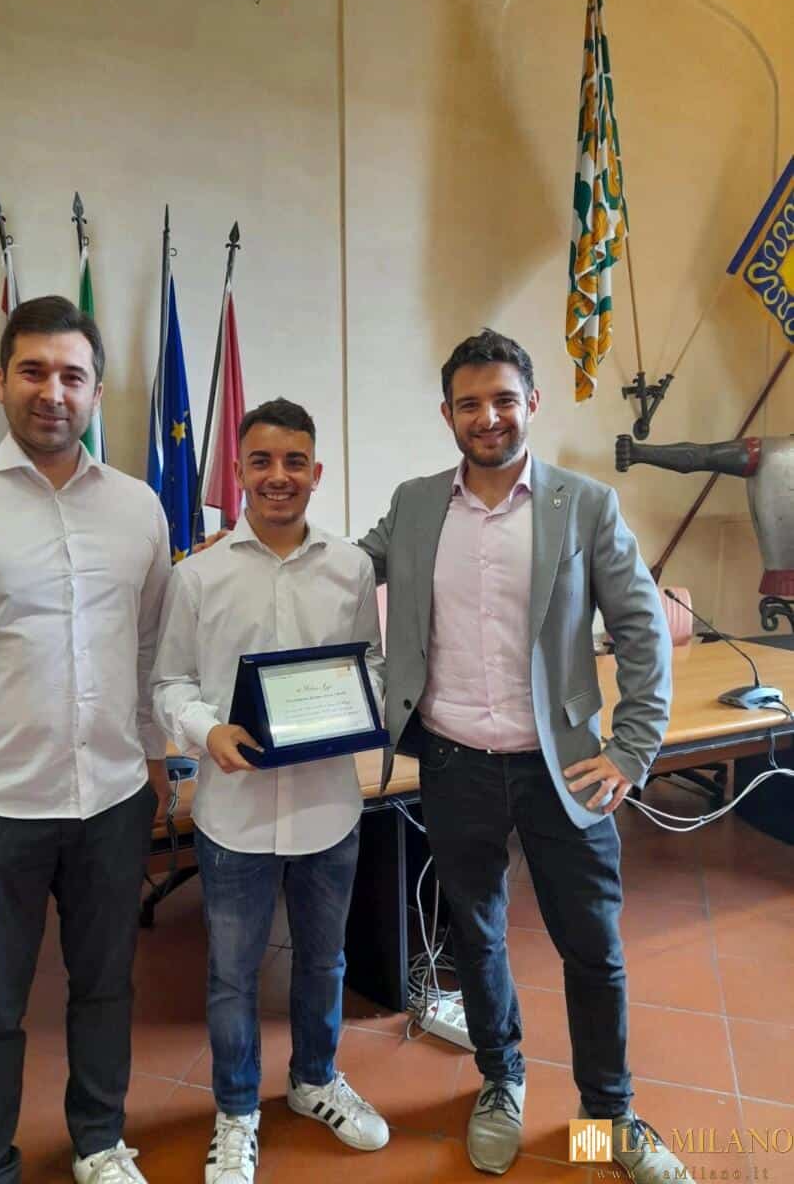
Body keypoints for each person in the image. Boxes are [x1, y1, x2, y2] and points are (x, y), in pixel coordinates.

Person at [358, 330, 688, 1181]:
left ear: (531, 403)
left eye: (504, 399)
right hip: (453, 761)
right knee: (474, 935)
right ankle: (500, 1080)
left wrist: (632, 748)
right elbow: (346, 572)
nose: (489, 417)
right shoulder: (416, 504)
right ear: (447, 415)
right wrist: (256, 551)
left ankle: (607, 1117)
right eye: (469, 404)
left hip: (564, 768)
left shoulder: (585, 504)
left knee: (592, 947)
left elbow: (643, 629)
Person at [0, 296, 171, 1184]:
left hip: (113, 801)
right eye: (34, 371)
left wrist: (155, 760)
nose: (53, 392)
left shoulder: (139, 508)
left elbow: (148, 649)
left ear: (97, 392)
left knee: (106, 988)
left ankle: (100, 1142)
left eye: (72, 375)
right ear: (0, 381)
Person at [151, 398, 389, 1184]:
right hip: (236, 815)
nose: (277, 476)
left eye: (293, 462)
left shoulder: (351, 567)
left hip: (328, 808)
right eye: (261, 461)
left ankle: (315, 1080)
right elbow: (170, 682)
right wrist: (205, 730)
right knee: (231, 973)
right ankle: (236, 1111)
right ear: (239, 471)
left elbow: (371, 665)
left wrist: (361, 708)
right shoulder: (198, 575)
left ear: (316, 473)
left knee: (324, 960)